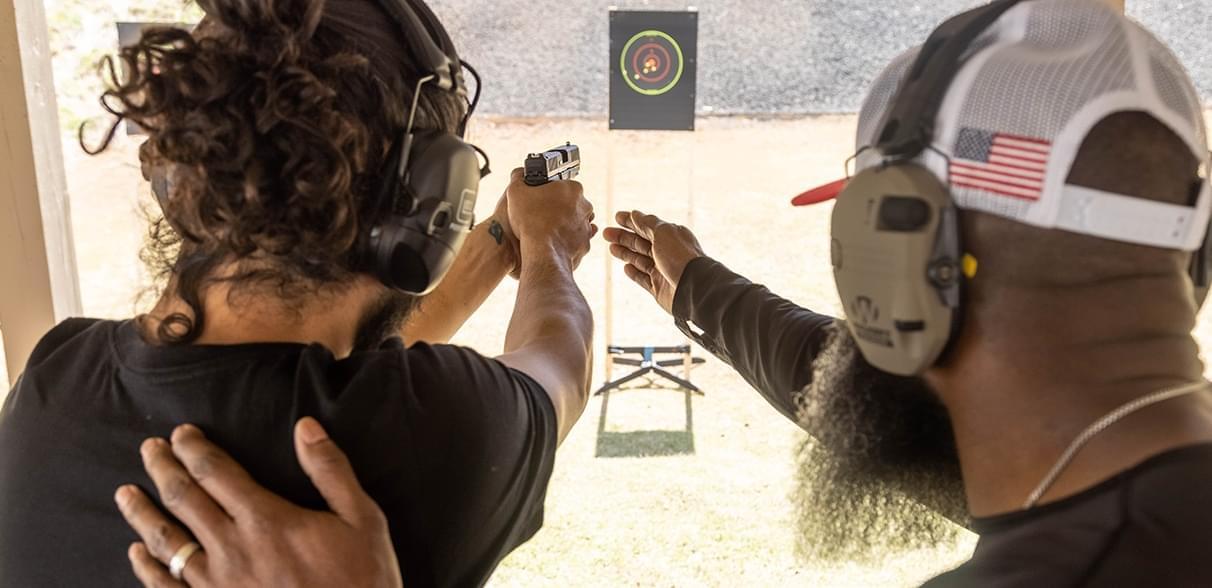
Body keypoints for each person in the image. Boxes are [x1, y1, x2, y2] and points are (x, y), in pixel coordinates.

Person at [116, 0, 1212, 586]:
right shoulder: (1118, 478)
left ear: (894, 263)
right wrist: (693, 287)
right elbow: (855, 387)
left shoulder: (64, 384)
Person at [0, 0, 597, 585]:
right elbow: (561, 364)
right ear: (432, 197)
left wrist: (501, 236)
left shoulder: (52, 382)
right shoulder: (435, 434)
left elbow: (311, 373)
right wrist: (549, 243)